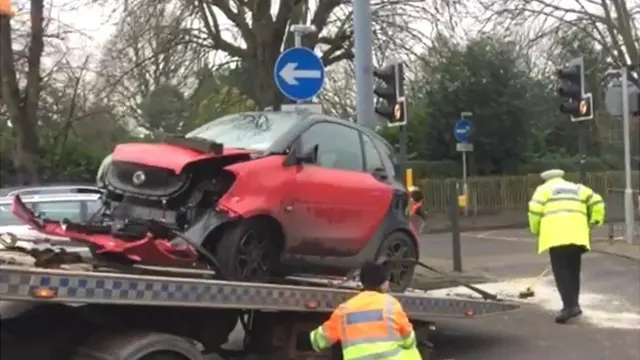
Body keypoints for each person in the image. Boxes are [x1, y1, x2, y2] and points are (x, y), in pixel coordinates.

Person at [528, 169, 605, 324]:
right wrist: (595, 220)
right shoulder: (577, 188)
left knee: (561, 272)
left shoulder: (543, 191)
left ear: (545, 179)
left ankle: (570, 307)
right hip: (578, 235)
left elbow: (534, 212)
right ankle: (573, 304)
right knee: (573, 270)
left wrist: (536, 229)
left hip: (556, 236)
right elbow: (597, 201)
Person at [309, 261, 422, 359]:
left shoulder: (345, 310)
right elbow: (409, 339)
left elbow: (320, 340)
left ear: (362, 282)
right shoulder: (390, 305)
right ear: (384, 284)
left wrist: (308, 340)